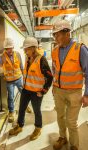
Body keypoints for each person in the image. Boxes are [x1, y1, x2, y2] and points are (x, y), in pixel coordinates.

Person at [51, 20, 88, 150]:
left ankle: (74, 145)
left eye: (57, 34)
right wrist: (53, 87)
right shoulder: (55, 50)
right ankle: (63, 137)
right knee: (60, 117)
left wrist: (87, 94)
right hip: (58, 91)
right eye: (54, 35)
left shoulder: (80, 49)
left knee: (71, 122)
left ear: (67, 33)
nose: (55, 38)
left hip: (74, 92)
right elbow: (54, 70)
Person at [9, 37, 53, 141]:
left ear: (33, 48)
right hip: (26, 90)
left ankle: (38, 128)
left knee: (36, 111)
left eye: (26, 49)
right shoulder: (27, 58)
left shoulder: (41, 59)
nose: (24, 51)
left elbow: (50, 77)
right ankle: (19, 126)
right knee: (22, 108)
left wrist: (43, 91)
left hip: (36, 92)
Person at [0, 38, 32, 123]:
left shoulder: (17, 54)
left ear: (13, 47)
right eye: (7, 49)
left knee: (24, 94)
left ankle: (26, 106)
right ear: (5, 49)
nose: (9, 50)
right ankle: (11, 112)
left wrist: (24, 77)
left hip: (19, 78)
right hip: (9, 81)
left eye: (10, 48)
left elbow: (21, 66)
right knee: (10, 97)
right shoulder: (3, 57)